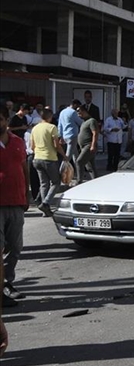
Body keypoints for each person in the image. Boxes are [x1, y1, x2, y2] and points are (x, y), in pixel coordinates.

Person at [1, 112, 29, 308]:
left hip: (17, 202)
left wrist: (27, 194)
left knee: (16, 247)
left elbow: (24, 167)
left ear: (5, 121)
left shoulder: (18, 141)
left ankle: (7, 281)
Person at [31, 108, 67, 217]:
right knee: (56, 182)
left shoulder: (35, 128)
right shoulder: (52, 127)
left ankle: (44, 209)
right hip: (49, 158)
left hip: (37, 158)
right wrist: (64, 155)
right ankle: (46, 203)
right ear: (50, 117)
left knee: (44, 184)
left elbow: (32, 146)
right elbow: (56, 145)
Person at [58, 99, 83, 180]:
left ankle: (79, 174)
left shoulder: (62, 112)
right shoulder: (73, 112)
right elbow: (80, 122)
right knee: (67, 157)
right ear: (75, 105)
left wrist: (61, 136)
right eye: (78, 107)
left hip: (65, 135)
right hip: (72, 135)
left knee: (76, 156)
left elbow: (60, 125)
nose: (78, 109)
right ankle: (61, 173)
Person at [76, 106, 99, 183]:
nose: (78, 114)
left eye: (79, 111)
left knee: (79, 161)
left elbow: (95, 133)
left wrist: (93, 145)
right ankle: (96, 181)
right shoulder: (83, 122)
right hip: (83, 146)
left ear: (85, 111)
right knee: (90, 166)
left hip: (88, 145)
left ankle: (79, 181)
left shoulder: (91, 121)